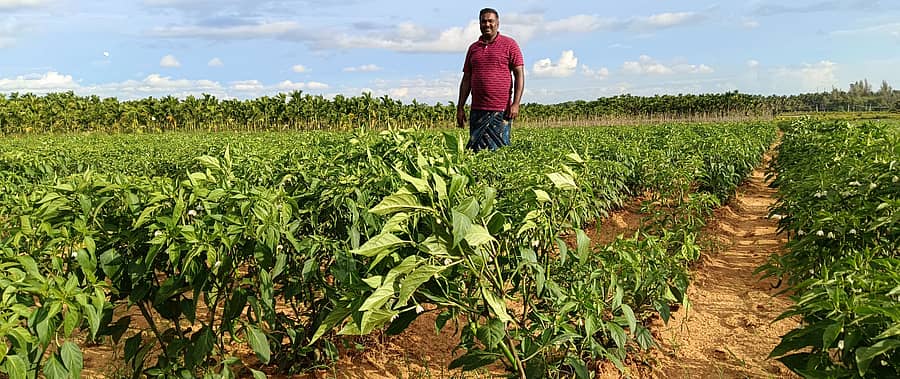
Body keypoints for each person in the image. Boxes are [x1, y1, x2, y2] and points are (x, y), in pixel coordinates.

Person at [456, 8, 525, 152]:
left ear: (497, 23)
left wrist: (516, 103)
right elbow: (466, 79)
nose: (487, 24)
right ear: (479, 24)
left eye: (490, 21)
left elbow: (519, 74)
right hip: (477, 110)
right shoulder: (473, 48)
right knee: (476, 151)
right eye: (483, 21)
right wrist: (460, 107)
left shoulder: (510, 45)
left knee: (500, 152)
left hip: (501, 110)